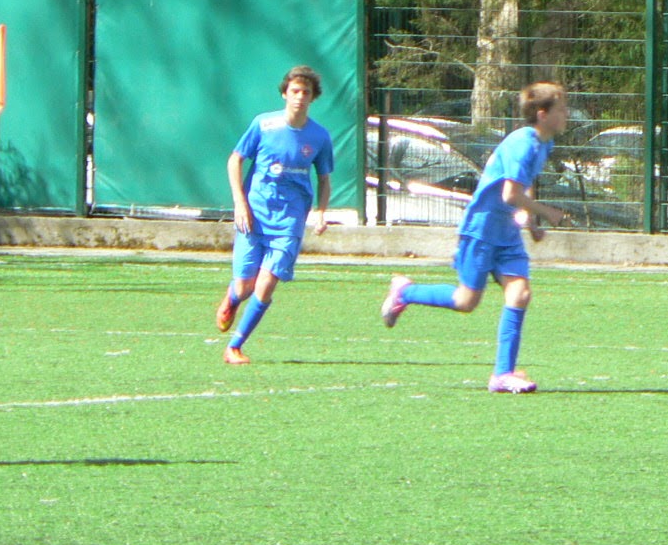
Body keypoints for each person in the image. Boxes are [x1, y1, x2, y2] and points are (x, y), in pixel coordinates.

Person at [379, 82, 570, 394]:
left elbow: (524, 183)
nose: (566, 115)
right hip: (480, 228)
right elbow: (510, 193)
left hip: (506, 232)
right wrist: (547, 212)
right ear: (542, 114)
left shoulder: (543, 143)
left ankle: (502, 375)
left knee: (520, 294)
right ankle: (405, 292)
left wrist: (531, 221)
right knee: (466, 301)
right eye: (561, 109)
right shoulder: (522, 143)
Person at [215, 65, 334, 364]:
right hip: (254, 213)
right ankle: (231, 299)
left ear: (313, 98)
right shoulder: (263, 124)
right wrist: (239, 203)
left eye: (306, 92)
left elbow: (324, 179)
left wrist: (320, 212)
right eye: (295, 91)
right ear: (285, 93)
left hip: (290, 218)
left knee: (267, 283)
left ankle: (235, 346)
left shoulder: (319, 136)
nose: (300, 97)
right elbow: (235, 160)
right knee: (245, 285)